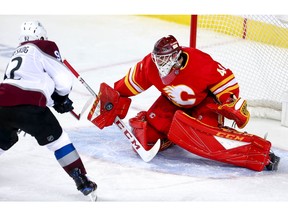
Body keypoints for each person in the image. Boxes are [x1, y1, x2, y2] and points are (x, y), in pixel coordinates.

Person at [93, 35, 280, 172]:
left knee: (206, 136)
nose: (160, 63)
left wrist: (229, 102)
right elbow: (128, 84)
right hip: (171, 105)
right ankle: (171, 135)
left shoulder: (200, 63)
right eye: (158, 58)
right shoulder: (150, 65)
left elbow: (226, 83)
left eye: (165, 59)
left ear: (176, 56)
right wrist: (111, 98)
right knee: (146, 137)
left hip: (203, 104)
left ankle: (252, 149)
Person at [0, 21, 97, 197]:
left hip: (2, 102)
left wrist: (55, 102)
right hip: (28, 105)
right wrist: (62, 97)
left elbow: (27, 83)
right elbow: (62, 78)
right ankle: (81, 179)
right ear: (41, 35)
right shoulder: (44, 45)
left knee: (1, 140)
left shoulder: (16, 54)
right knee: (59, 141)